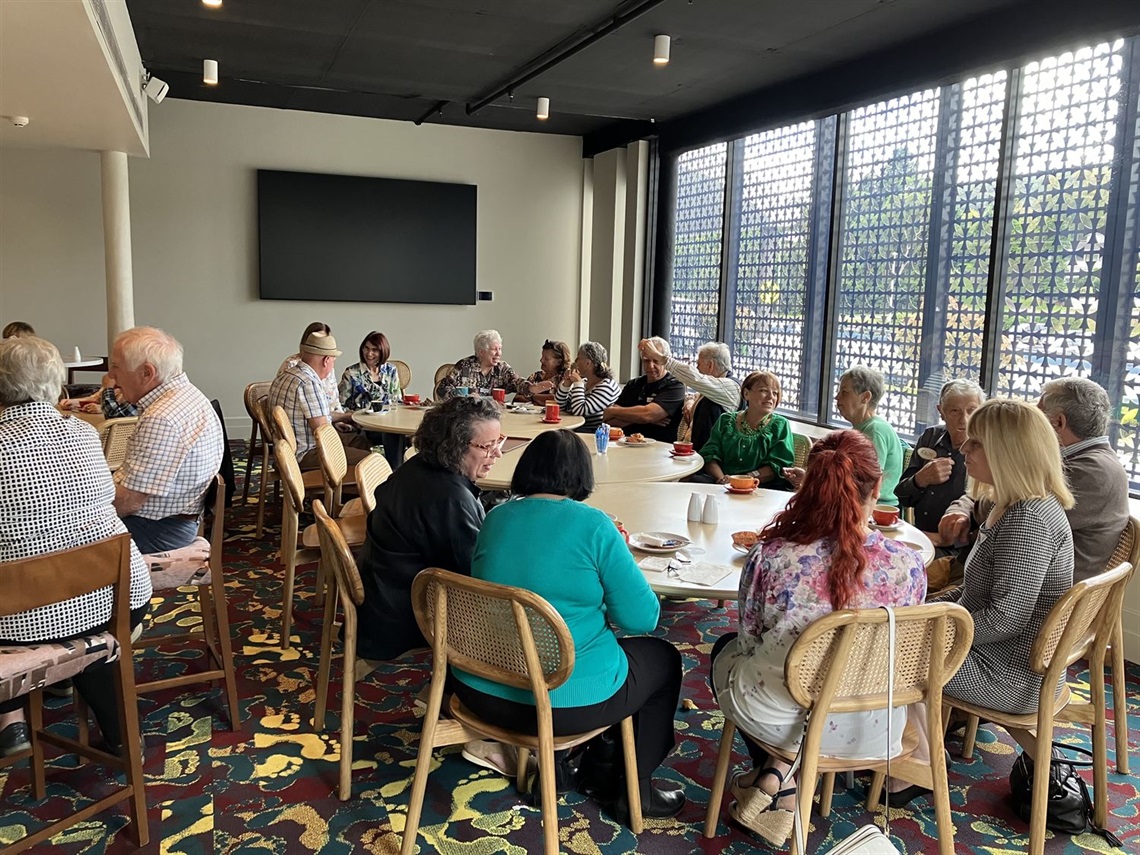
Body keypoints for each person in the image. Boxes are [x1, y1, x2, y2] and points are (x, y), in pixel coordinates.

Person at [453, 430, 685, 820]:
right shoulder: (595, 526)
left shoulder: (496, 517)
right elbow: (642, 619)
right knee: (660, 659)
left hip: (483, 689)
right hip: (558, 704)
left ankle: (564, 764)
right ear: (582, 474)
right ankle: (635, 791)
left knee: (595, 653)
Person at [710, 430, 925, 844]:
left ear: (810, 483)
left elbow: (751, 641)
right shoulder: (909, 565)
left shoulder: (772, 556)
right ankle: (776, 774)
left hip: (778, 716)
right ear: (877, 487)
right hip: (872, 725)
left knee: (727, 650)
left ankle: (778, 775)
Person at [0, 336, 153, 758]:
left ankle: (10, 718)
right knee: (85, 622)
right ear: (57, 386)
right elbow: (105, 499)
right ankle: (122, 733)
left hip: (21, 623)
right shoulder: (83, 435)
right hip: (119, 598)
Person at [932, 399, 1074, 722]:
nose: (964, 447)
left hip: (1010, 675)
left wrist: (935, 631)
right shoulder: (1012, 503)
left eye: (977, 442)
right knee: (890, 639)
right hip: (1002, 658)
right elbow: (974, 593)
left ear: (1008, 451)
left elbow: (1005, 619)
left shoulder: (1028, 521)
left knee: (883, 653)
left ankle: (905, 764)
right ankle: (912, 751)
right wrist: (927, 610)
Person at [356, 397, 502, 662]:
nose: (497, 454)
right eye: (488, 446)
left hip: (381, 599)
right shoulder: (449, 498)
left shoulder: (416, 466)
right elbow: (477, 576)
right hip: (406, 616)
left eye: (498, 443)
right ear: (457, 446)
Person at [940, 377, 1127, 584]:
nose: (1028, 421)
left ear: (1058, 422)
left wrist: (972, 506)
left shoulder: (1093, 472)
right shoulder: (1066, 458)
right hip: (991, 572)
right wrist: (964, 507)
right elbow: (998, 491)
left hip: (1027, 592)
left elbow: (1007, 508)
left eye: (1036, 413)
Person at [108, 326, 224, 554]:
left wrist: (77, 516)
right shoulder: (186, 394)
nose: (112, 377)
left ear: (146, 373)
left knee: (55, 547)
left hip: (158, 529)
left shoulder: (162, 418)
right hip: (175, 518)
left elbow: (128, 502)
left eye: (116, 368)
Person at [895, 379, 985, 537]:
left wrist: (950, 535)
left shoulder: (987, 449)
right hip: (920, 535)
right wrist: (920, 479)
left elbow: (984, 506)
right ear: (941, 412)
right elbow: (902, 497)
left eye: (971, 410)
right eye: (954, 411)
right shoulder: (930, 437)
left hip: (957, 548)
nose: (964, 419)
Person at [268, 331, 369, 471]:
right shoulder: (309, 383)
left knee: (358, 441)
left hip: (285, 452)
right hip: (305, 454)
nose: (333, 365)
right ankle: (337, 488)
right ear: (326, 360)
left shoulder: (286, 376)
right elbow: (323, 432)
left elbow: (312, 414)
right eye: (333, 361)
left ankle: (344, 489)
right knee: (372, 461)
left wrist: (345, 417)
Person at [639, 339, 741, 452]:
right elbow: (696, 393)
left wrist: (661, 358)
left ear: (710, 366)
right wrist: (690, 401)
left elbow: (695, 379)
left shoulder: (730, 386)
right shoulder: (716, 386)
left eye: (698, 364)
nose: (696, 368)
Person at [697, 370, 795, 488]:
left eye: (775, 393)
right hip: (721, 484)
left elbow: (777, 466)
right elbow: (710, 455)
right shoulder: (726, 420)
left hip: (760, 488)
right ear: (746, 393)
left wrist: (743, 480)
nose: (770, 397)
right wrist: (722, 479)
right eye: (763, 391)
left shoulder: (780, 425)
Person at [602, 337, 686, 443]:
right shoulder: (634, 384)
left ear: (665, 361)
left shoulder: (675, 386)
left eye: (656, 361)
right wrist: (644, 419)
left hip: (660, 450)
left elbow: (648, 414)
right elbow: (609, 421)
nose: (651, 366)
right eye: (646, 360)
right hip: (627, 445)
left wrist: (613, 411)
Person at [437, 330, 528, 399]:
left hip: (493, 415)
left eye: (500, 349)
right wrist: (464, 398)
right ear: (481, 352)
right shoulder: (464, 366)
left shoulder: (502, 368)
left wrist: (532, 387)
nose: (499, 353)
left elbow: (517, 383)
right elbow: (442, 389)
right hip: (468, 415)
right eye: (494, 349)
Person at [554, 341, 621, 432]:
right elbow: (560, 406)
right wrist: (567, 384)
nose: (576, 361)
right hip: (576, 429)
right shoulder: (585, 382)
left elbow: (579, 411)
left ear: (588, 363)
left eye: (578, 358)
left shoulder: (607, 386)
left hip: (593, 432)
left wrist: (578, 383)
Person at [278, 321, 340, 412]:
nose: (320, 346)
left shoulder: (329, 367)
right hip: (313, 420)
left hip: (329, 418)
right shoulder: (293, 366)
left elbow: (335, 402)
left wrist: (341, 419)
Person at [338, 331, 402, 411]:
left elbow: (397, 401)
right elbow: (341, 405)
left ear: (383, 352)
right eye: (366, 348)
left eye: (374, 350)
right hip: (359, 421)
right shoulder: (351, 373)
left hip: (387, 420)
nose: (369, 353)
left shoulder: (391, 370)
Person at [516, 339, 571, 404]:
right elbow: (517, 398)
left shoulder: (565, 379)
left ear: (559, 362)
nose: (541, 360)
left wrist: (531, 395)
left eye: (546, 359)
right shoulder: (536, 376)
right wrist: (539, 398)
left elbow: (556, 400)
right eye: (542, 357)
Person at [60, 372, 138, 419]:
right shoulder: (117, 382)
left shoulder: (136, 391)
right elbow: (96, 398)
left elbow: (114, 415)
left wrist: (102, 408)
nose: (111, 371)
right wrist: (75, 402)